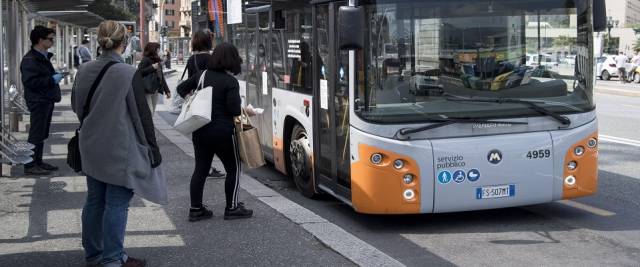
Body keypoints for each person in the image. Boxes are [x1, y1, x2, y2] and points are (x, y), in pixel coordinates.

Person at [72, 20, 168, 267]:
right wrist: (153, 150)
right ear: (124, 43)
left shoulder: (84, 70)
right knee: (116, 202)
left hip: (91, 145)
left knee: (94, 200)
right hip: (118, 148)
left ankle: (94, 254)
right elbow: (141, 115)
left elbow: (76, 105)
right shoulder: (127, 73)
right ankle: (113, 258)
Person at [177, 43, 253, 221]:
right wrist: (247, 111)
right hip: (223, 133)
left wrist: (191, 99)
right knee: (233, 169)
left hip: (201, 130)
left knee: (201, 169)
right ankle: (232, 207)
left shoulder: (201, 75)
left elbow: (180, 88)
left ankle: (196, 209)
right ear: (232, 60)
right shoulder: (230, 82)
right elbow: (234, 109)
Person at [181, 30, 225, 178]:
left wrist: (190, 96)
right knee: (212, 135)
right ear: (208, 42)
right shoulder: (210, 58)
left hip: (197, 101)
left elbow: (189, 83)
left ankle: (205, 167)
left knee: (199, 135)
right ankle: (208, 167)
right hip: (211, 99)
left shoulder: (191, 59)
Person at [19, 25, 62, 175]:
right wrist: (51, 80)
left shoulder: (42, 56)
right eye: (50, 39)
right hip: (38, 100)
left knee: (42, 132)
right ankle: (30, 165)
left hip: (46, 99)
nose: (53, 42)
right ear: (40, 40)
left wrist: (53, 78)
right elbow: (31, 82)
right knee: (36, 133)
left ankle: (38, 161)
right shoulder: (30, 59)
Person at [138, 42, 171, 113]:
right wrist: (152, 67)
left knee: (152, 111)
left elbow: (161, 76)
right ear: (153, 50)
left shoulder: (157, 61)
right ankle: (145, 124)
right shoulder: (145, 60)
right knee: (149, 110)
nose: (159, 51)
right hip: (146, 89)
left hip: (155, 89)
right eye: (158, 49)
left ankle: (149, 124)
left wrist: (167, 90)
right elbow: (139, 72)